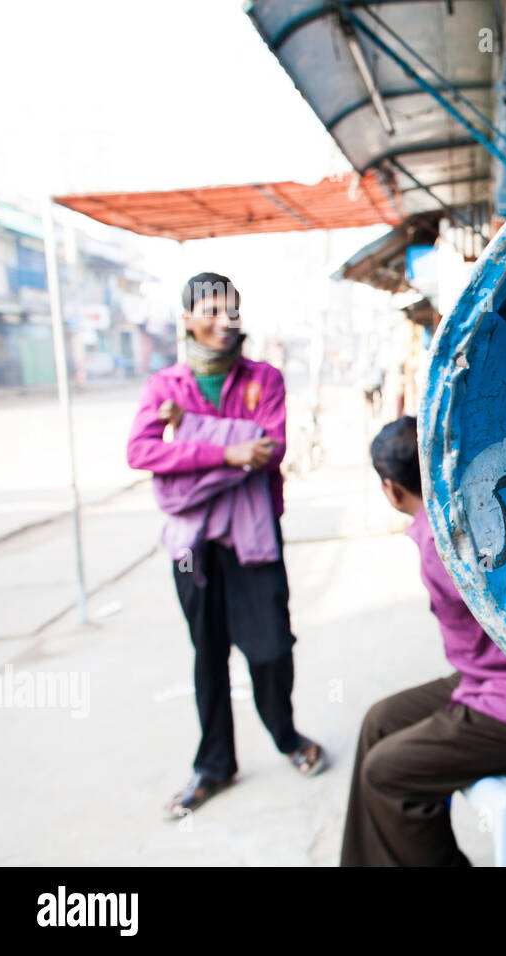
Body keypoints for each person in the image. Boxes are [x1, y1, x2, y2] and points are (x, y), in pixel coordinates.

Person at [340, 416, 506, 866]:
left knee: (387, 773)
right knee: (378, 722)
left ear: (391, 489)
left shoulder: (448, 535)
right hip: (490, 677)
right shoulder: (460, 502)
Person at [126, 272, 326, 819]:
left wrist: (190, 434)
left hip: (253, 540)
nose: (222, 321)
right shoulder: (164, 385)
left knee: (272, 649)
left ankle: (285, 736)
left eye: (230, 309)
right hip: (191, 546)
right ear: (186, 319)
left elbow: (270, 450)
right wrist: (228, 454)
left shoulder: (266, 379)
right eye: (209, 310)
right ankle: (213, 764)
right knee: (208, 653)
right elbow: (141, 455)